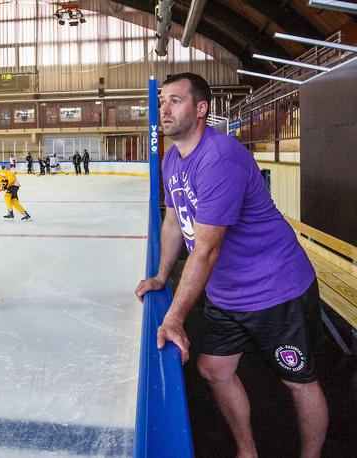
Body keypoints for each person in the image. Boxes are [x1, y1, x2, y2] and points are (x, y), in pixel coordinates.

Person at [134, 72, 327, 458]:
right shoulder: (172, 160)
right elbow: (173, 221)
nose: (163, 109)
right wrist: (159, 275)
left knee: (298, 381)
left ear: (202, 109)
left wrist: (174, 317)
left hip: (276, 290)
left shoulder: (219, 158)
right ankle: (247, 451)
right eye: (161, 101)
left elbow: (205, 250)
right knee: (214, 370)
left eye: (175, 100)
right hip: (226, 294)